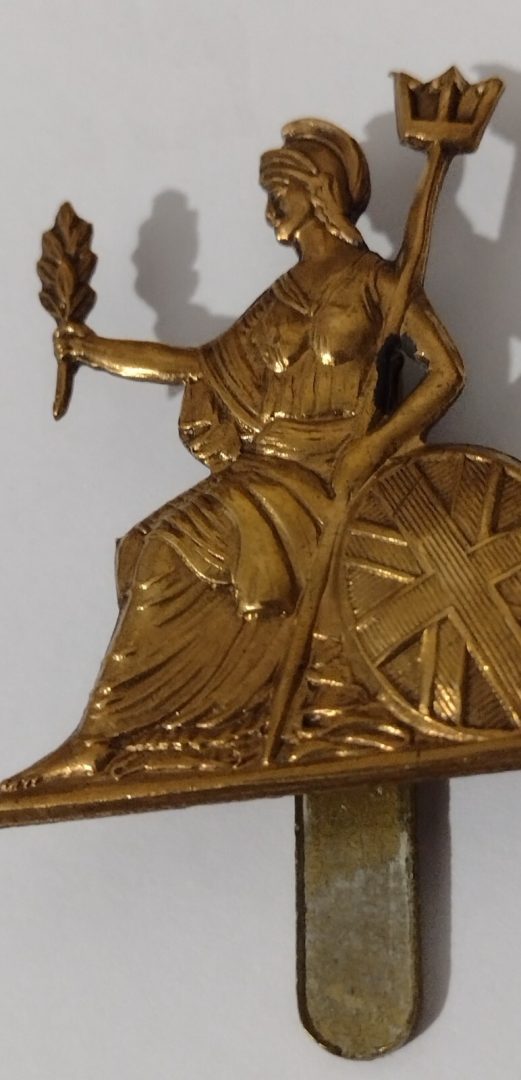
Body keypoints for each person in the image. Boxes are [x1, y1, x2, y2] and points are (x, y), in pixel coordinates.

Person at [3, 118, 464, 791]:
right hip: (266, 472)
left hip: (328, 479)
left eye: (278, 194)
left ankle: (101, 740)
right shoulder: (278, 301)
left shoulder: (376, 283)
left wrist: (375, 445)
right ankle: (193, 721)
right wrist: (94, 350)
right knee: (144, 548)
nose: (270, 211)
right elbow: (197, 363)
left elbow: (447, 372)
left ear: (317, 191)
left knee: (168, 553)